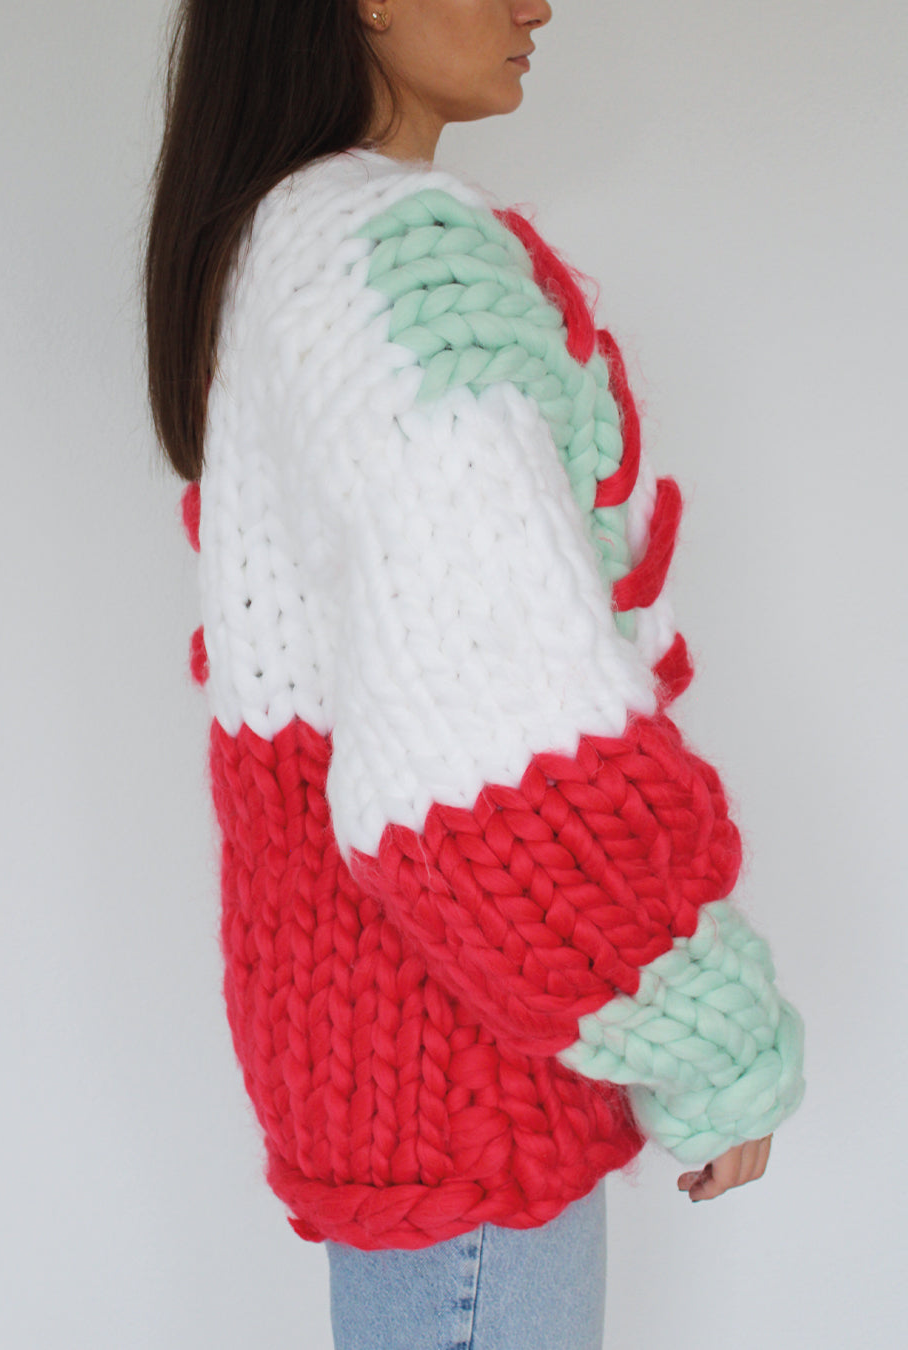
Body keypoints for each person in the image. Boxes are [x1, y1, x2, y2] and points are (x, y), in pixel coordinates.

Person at [143, 3, 807, 1346]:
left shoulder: (283, 243)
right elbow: (492, 761)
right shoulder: (388, 253)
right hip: (469, 1081)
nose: (538, 4)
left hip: (391, 1068)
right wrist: (710, 1036)